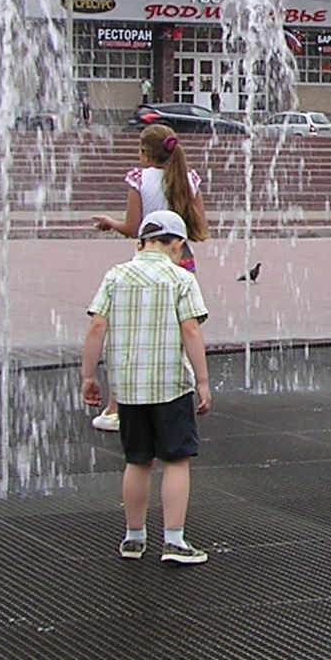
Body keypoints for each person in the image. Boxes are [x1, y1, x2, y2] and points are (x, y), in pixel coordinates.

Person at [80, 209, 212, 565]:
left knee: (137, 460)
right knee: (175, 461)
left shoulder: (116, 276)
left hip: (128, 389)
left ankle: (133, 537)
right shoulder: (180, 279)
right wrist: (202, 380)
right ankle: (174, 541)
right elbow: (191, 330)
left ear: (140, 243)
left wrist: (89, 376)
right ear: (178, 245)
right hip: (170, 385)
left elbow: (96, 327)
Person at [89, 124, 207, 431]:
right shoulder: (189, 179)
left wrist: (108, 223)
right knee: (179, 331)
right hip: (182, 261)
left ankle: (117, 407)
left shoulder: (139, 179)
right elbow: (200, 229)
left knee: (134, 331)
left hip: (146, 263)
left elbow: (133, 227)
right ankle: (177, 394)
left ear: (144, 153)